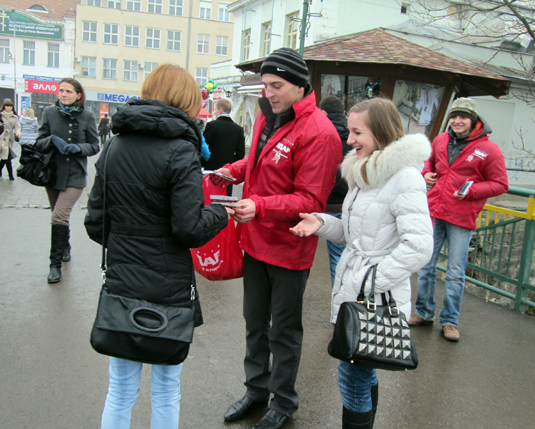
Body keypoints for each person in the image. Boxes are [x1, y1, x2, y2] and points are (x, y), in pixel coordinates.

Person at [85, 63, 232, 429]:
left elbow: (94, 222)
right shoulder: (181, 151)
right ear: (184, 100)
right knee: (167, 388)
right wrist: (220, 213)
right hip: (168, 288)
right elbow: (189, 229)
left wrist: (127, 242)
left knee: (119, 389)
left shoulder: (115, 146)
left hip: (122, 282)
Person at [214, 48, 342, 429]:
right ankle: (256, 390)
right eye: (266, 84)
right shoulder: (265, 117)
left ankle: (283, 401)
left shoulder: (319, 132)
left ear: (301, 85)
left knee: (282, 331)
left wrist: (260, 205)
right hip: (254, 240)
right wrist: (233, 171)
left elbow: (310, 200)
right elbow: (258, 163)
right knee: (254, 322)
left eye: (277, 85)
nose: (268, 92)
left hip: (289, 248)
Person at [290, 98, 434, 429]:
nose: (350, 139)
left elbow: (419, 246)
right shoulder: (366, 170)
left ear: (380, 132)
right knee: (363, 366)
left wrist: (372, 280)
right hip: (358, 290)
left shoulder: (403, 178)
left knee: (352, 374)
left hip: (371, 294)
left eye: (357, 132)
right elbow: (358, 233)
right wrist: (323, 223)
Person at [409, 97, 509, 341]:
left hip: (462, 217)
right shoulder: (441, 139)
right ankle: (424, 312)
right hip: (435, 210)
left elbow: (501, 183)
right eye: (454, 116)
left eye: (463, 116)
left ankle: (450, 321)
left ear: (473, 120)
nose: (457, 121)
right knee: (426, 265)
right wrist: (427, 173)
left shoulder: (489, 149)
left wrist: (472, 191)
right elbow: (430, 163)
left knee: (455, 272)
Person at [35, 78, 100, 283]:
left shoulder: (88, 116)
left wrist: (78, 148)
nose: (63, 94)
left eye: (68, 91)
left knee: (58, 217)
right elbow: (39, 142)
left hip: (75, 174)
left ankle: (55, 266)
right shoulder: (49, 113)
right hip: (53, 173)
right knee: (58, 215)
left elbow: (95, 146)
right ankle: (65, 246)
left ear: (78, 95)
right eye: (61, 90)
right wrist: (52, 140)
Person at [319, 95, 352, 286]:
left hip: (322, 200)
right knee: (339, 256)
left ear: (323, 113)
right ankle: (341, 303)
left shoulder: (321, 133)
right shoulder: (354, 135)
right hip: (345, 202)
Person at [202, 99, 245, 196]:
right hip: (228, 171)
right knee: (225, 198)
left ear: (221, 110)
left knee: (208, 197)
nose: (215, 112)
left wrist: (205, 162)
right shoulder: (238, 129)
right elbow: (240, 153)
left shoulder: (211, 125)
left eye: (216, 109)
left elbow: (202, 146)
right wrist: (231, 166)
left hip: (211, 169)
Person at [0, 100, 21, 180]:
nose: (9, 108)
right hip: (1, 137)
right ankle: (10, 176)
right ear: (4, 107)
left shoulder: (15, 117)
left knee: (6, 157)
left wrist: (18, 133)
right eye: (7, 106)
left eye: (10, 106)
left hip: (9, 138)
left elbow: (17, 126)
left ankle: (8, 175)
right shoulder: (1, 115)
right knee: (6, 157)